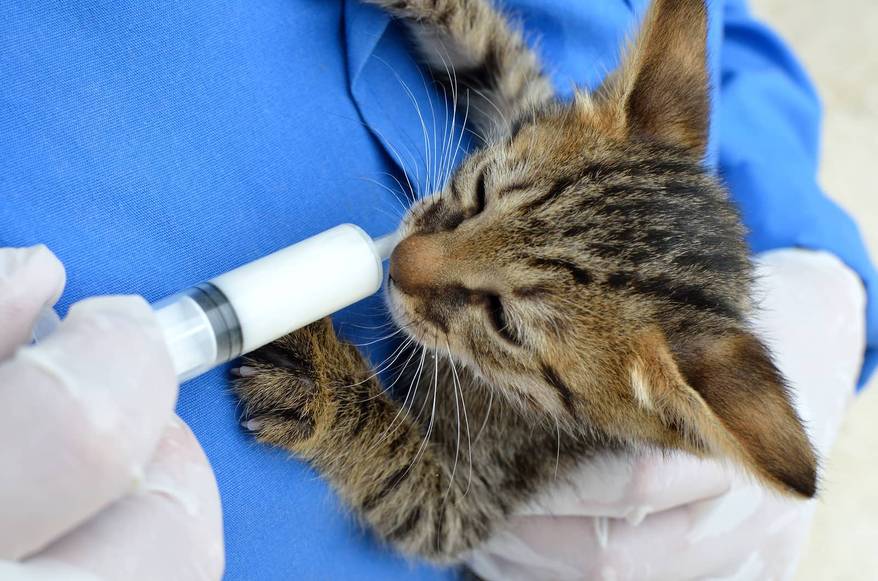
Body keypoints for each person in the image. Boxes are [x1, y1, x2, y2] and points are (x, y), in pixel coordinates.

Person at [1, 0, 874, 579]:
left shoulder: (606, 389)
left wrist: (818, 249)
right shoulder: (573, 136)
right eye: (488, 192)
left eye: (498, 314)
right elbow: (527, 96)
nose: (414, 263)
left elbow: (447, 518)